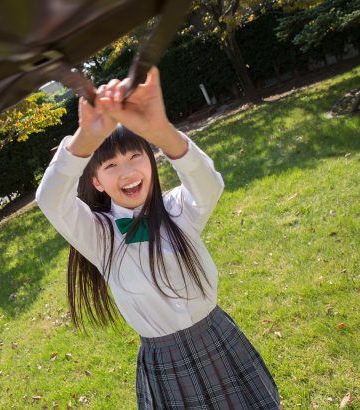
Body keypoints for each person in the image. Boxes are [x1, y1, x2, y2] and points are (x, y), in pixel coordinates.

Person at [35, 66, 281, 409]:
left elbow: (209, 184)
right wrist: (86, 139)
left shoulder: (178, 210)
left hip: (218, 338)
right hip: (166, 365)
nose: (127, 171)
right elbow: (51, 200)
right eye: (110, 166)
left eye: (135, 156)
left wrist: (161, 131)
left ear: (151, 161)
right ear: (96, 182)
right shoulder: (99, 236)